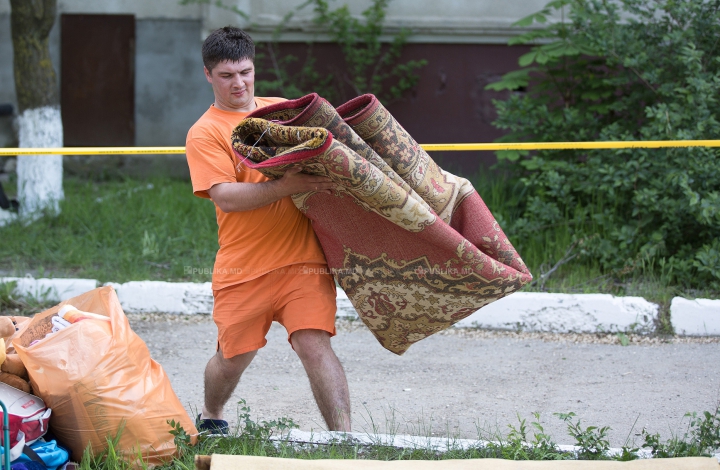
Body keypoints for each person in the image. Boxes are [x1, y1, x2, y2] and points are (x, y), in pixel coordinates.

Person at [185, 26, 351, 433]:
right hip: (244, 267)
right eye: (227, 75)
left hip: (303, 262)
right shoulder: (205, 132)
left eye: (245, 72)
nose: (239, 83)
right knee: (232, 358)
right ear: (208, 74)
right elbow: (224, 196)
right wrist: (287, 186)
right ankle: (212, 415)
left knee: (315, 344)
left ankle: (347, 442)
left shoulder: (283, 113)